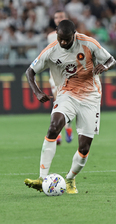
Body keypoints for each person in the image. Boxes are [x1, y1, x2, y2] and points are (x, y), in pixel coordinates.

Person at [24, 19, 116, 193]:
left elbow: (112, 60)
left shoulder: (88, 43)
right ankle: (42, 178)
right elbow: (30, 71)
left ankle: (70, 179)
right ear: (57, 35)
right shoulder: (51, 50)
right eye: (61, 39)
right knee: (53, 126)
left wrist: (104, 66)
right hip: (68, 93)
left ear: (74, 35)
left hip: (91, 97)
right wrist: (37, 92)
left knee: (84, 147)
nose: (63, 43)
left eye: (67, 39)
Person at [47, 10, 73, 145]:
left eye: (61, 17)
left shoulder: (75, 35)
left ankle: (67, 128)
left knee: (67, 102)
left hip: (69, 73)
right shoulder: (50, 36)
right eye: (56, 17)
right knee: (58, 101)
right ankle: (59, 133)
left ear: (66, 18)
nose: (58, 19)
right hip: (55, 74)